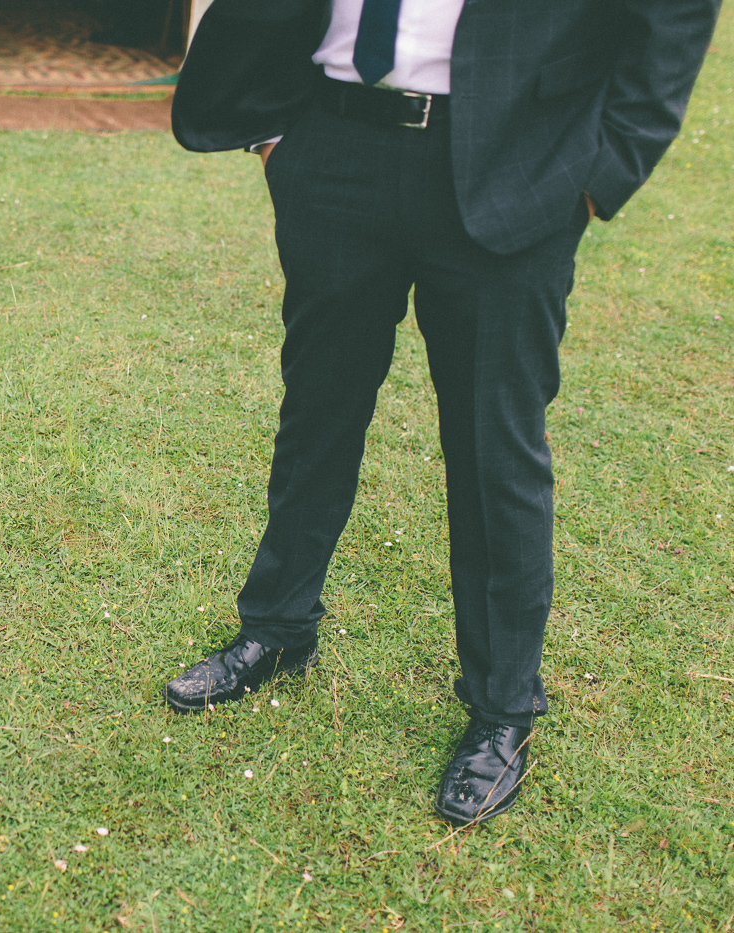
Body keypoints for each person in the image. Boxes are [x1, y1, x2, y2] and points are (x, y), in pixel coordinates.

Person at [164, 0, 718, 824]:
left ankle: (502, 710)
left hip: (513, 162)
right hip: (335, 146)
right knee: (317, 409)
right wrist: (278, 133)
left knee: (494, 444)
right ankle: (277, 627)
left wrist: (608, 171)